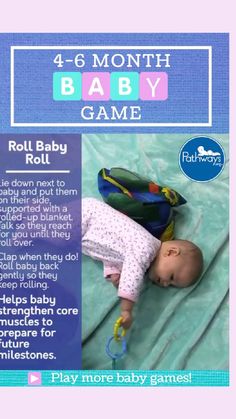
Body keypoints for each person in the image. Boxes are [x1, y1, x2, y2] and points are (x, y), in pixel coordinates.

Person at [82, 198, 203, 330]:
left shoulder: (140, 257)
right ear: (171, 252)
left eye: (171, 285)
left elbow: (112, 250)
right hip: (87, 217)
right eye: (172, 277)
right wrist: (126, 310)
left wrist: (114, 272)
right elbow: (132, 277)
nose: (166, 283)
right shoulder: (146, 248)